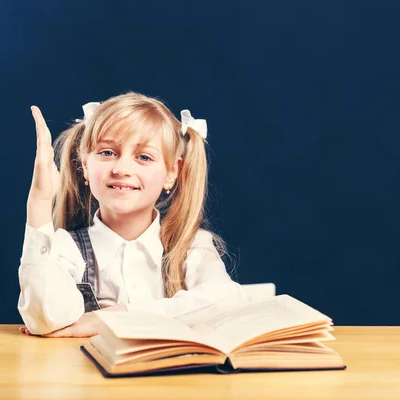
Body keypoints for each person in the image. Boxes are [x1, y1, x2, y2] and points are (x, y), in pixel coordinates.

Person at [18, 92, 248, 337]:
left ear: (171, 172)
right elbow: (46, 319)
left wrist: (113, 318)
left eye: (144, 157)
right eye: (107, 153)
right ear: (85, 165)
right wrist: (39, 202)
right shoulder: (67, 248)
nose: (122, 169)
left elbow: (226, 300)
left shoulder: (191, 247)